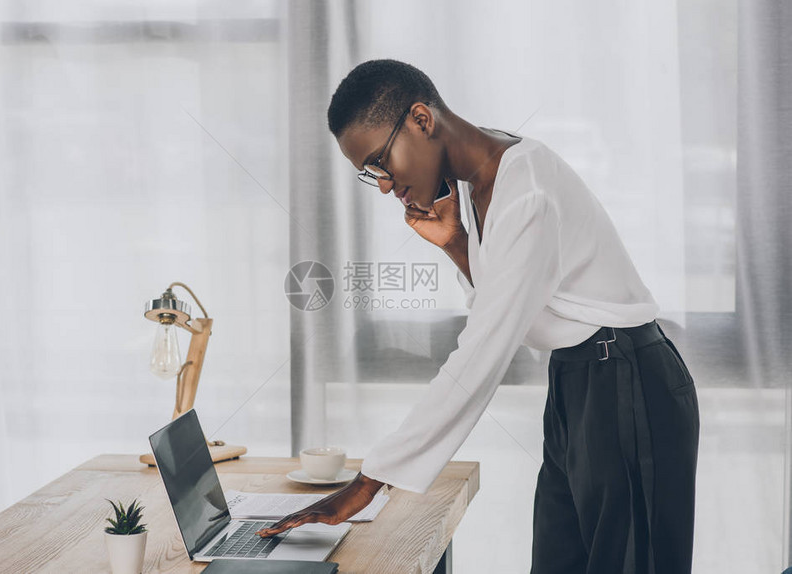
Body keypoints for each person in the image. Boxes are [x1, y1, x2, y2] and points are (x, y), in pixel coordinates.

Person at [256, 59, 700, 574]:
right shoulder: (479, 182)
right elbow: (516, 299)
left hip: (626, 384)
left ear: (422, 120)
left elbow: (484, 350)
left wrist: (368, 483)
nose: (383, 185)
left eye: (381, 161)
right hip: (580, 382)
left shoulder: (525, 187)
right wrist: (456, 243)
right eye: (370, 173)